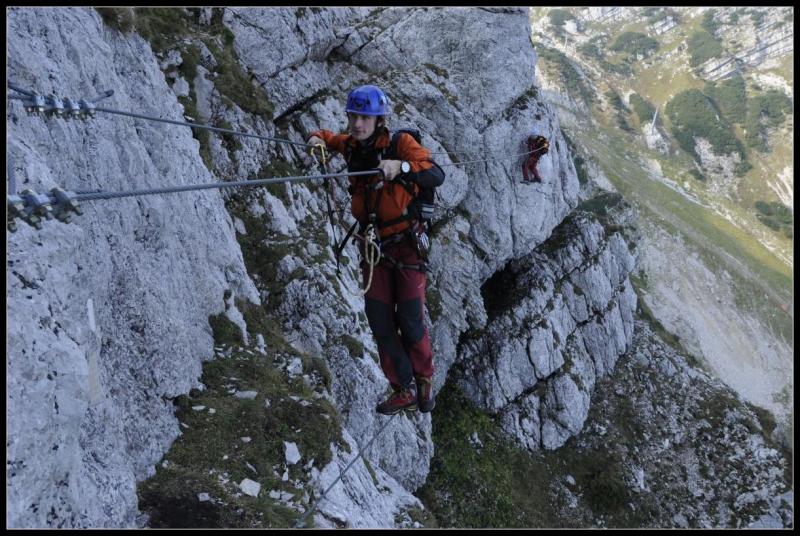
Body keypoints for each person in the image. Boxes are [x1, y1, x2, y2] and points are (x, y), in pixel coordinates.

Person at [306, 85, 444, 415]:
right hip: (374, 249)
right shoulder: (351, 146)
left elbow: (435, 174)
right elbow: (325, 135)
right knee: (380, 322)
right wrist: (316, 139)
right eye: (353, 116)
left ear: (379, 119)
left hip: (407, 247)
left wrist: (403, 167)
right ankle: (402, 387)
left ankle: (424, 379)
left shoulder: (400, 144)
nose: (356, 123)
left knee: (410, 322)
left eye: (364, 117)